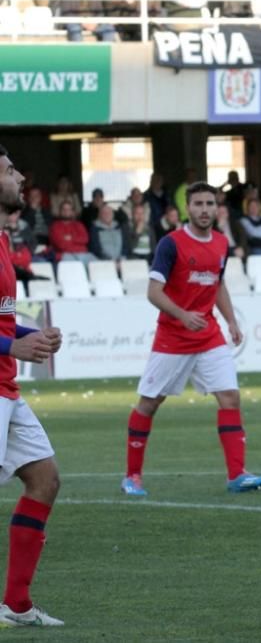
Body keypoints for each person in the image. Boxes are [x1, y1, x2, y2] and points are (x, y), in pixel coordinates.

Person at [120, 182, 261, 498]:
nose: (205, 209)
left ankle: (237, 475)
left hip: (209, 336)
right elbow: (153, 292)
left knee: (230, 397)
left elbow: (217, 285)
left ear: (218, 208)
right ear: (188, 208)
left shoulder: (220, 243)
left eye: (210, 203)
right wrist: (183, 315)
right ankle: (132, 476)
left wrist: (230, 320)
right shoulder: (170, 244)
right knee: (149, 404)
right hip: (173, 338)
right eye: (199, 204)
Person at [0, 144, 66, 627]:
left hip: (7, 389)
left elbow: (2, 322)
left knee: (44, 480)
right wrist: (11, 348)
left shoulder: (3, 240)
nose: (20, 176)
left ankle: (16, 605)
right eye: (8, 170)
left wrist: (29, 336)